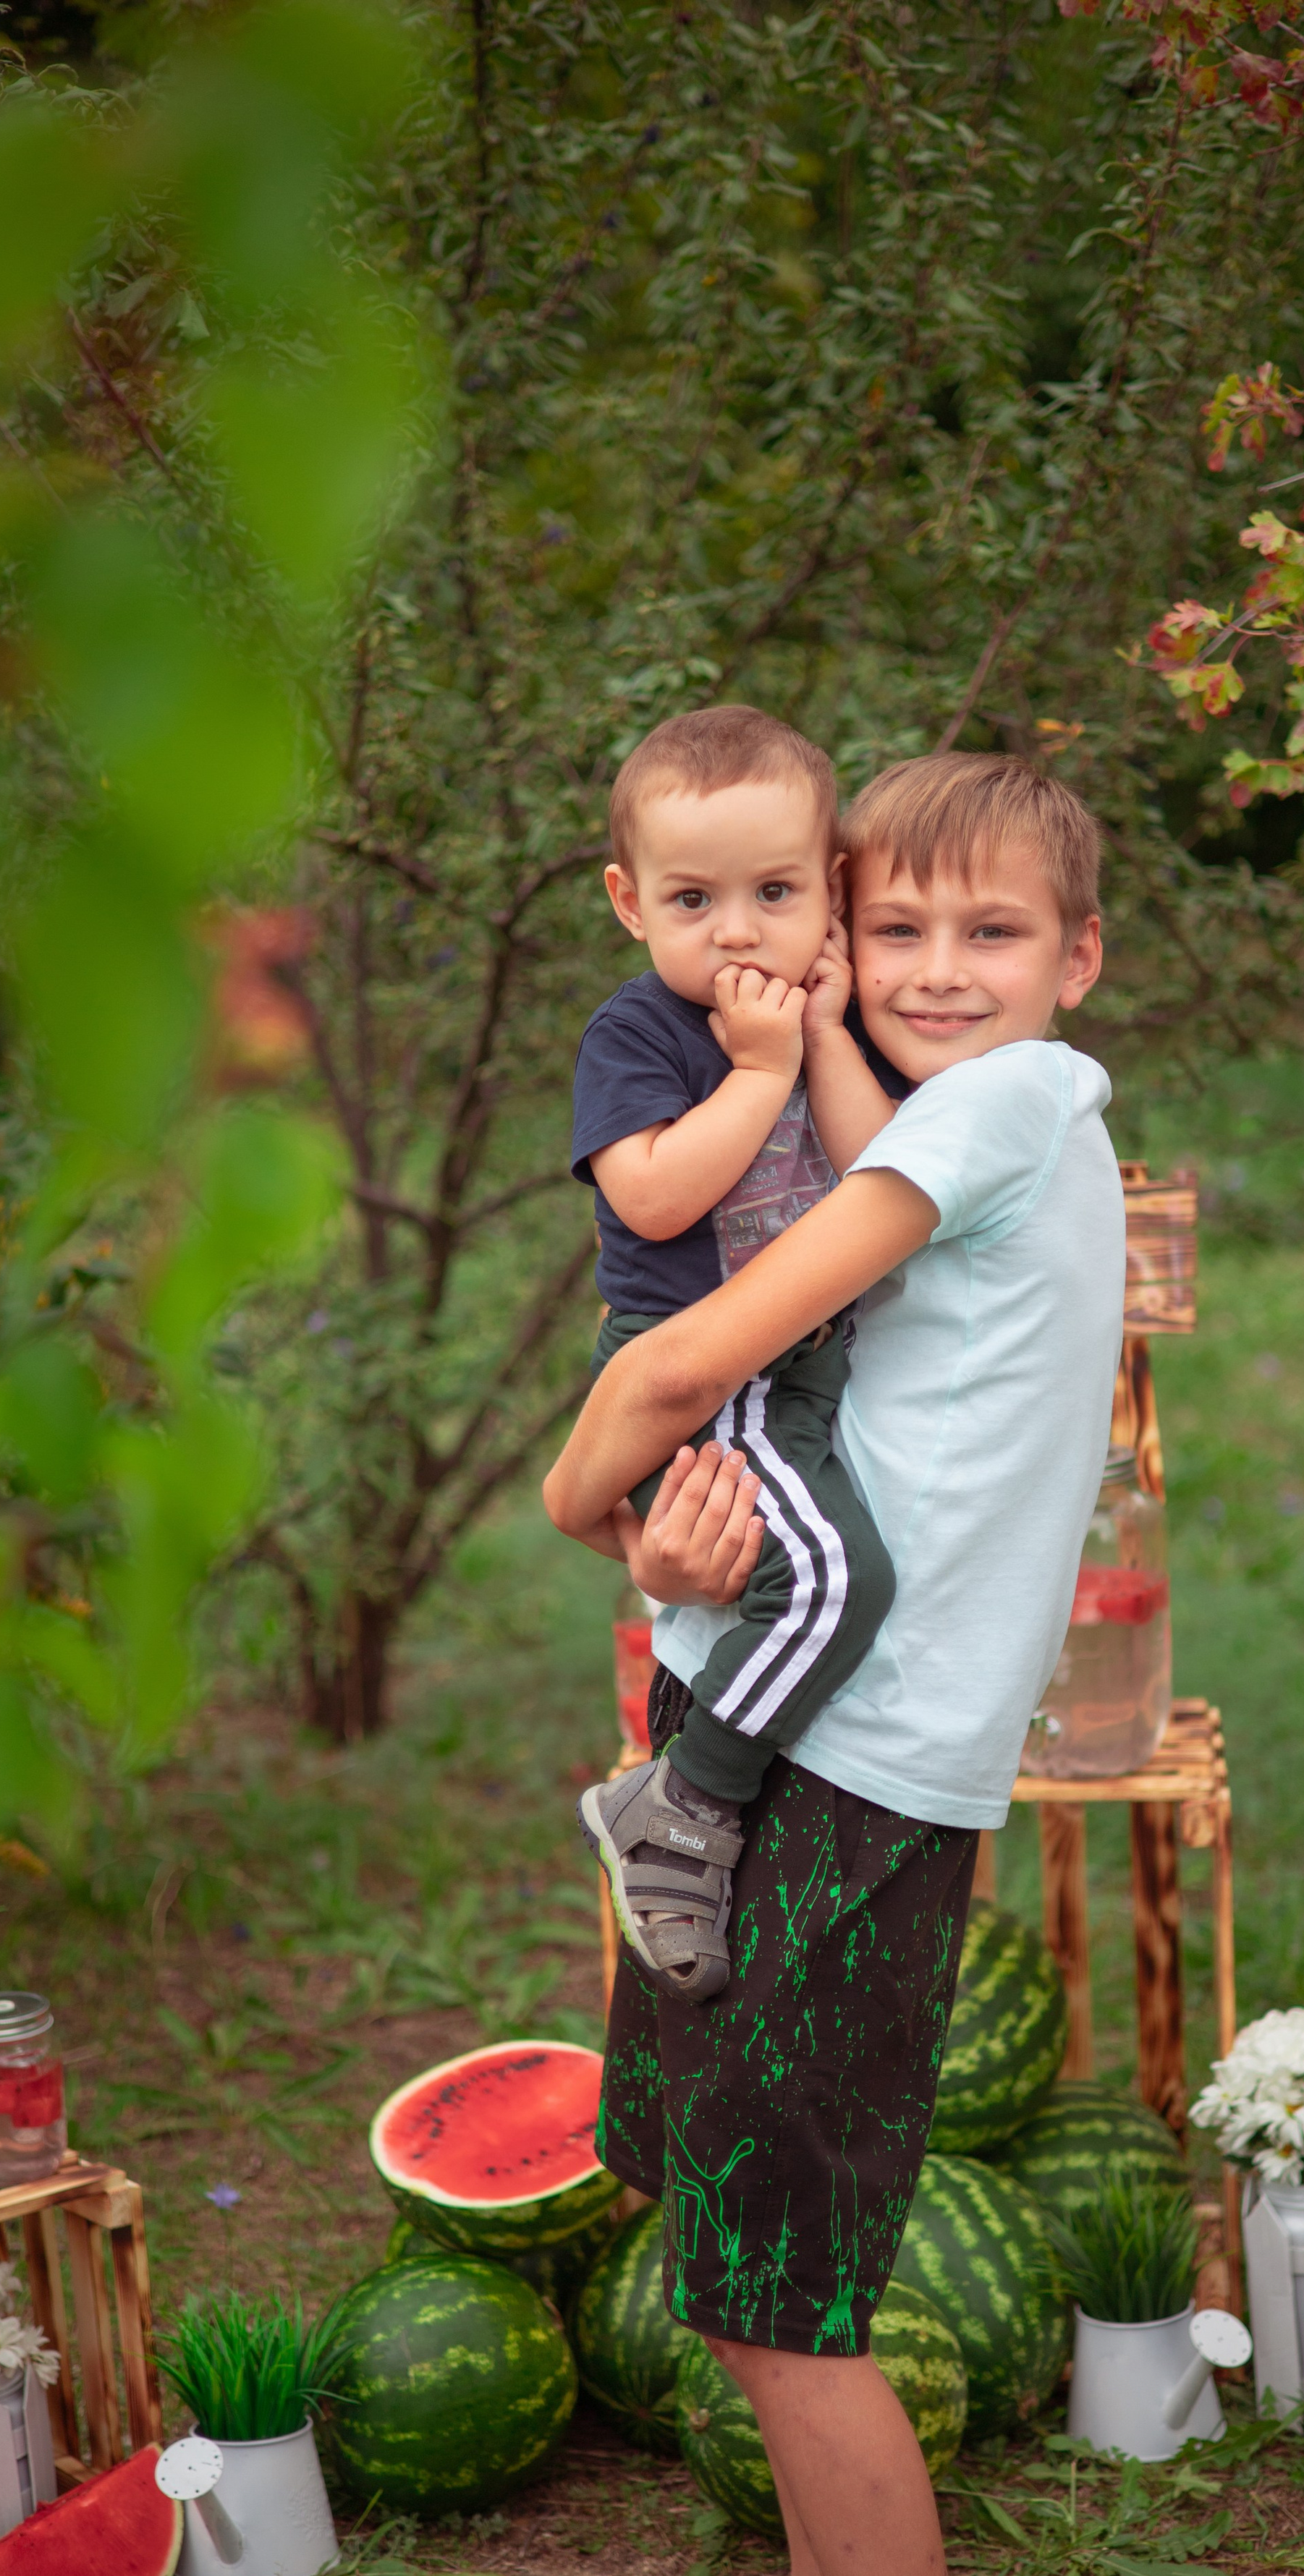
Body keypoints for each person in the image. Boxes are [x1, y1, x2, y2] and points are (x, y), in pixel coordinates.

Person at [544, 748, 1127, 2576]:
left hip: (866, 1772)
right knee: (728, 2240)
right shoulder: (847, 1104)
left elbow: (687, 1360)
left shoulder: (1022, 1101)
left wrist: (575, 1493)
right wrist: (658, 1541)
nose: (940, 970)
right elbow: (783, 1411)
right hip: (750, 1702)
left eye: (994, 935)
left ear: (1081, 960)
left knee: (790, 2297)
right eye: (902, 930)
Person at [571, 705, 897, 2004]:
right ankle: (683, 1807)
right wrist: (757, 1076)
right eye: (694, 898)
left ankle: (696, 1796)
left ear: (831, 890)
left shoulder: (842, 1020)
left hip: (801, 1373)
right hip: (707, 1369)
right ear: (629, 903)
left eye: (775, 892)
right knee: (831, 1582)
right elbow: (649, 1198)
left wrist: (816, 1044)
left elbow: (886, 1174)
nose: (739, 930)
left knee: (812, 1575)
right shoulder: (640, 1034)